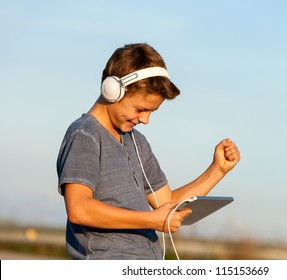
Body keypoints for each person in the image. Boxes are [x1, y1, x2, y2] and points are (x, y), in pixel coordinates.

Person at [56, 43, 240, 260]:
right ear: (112, 90)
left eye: (151, 112)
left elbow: (167, 203)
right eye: (140, 109)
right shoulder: (85, 135)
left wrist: (217, 170)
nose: (145, 120)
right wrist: (151, 220)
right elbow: (79, 209)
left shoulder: (137, 142)